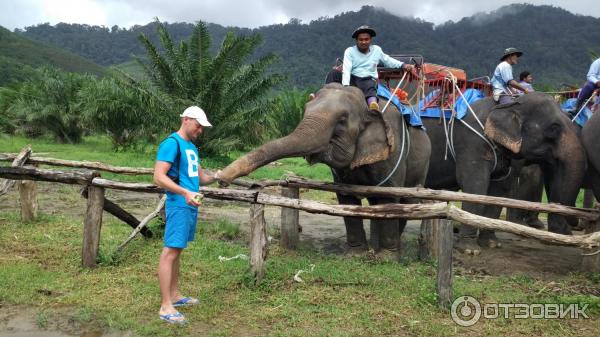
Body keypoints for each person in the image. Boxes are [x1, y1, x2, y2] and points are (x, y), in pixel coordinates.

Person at [153, 106, 220, 324]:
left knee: (177, 250)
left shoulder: (191, 147)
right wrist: (184, 192)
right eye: (198, 125)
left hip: (191, 204)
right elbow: (159, 177)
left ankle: (175, 295)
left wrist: (218, 175)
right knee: (170, 251)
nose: (200, 130)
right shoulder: (171, 144)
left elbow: (199, 177)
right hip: (179, 204)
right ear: (186, 120)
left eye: (202, 127)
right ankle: (165, 306)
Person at [341, 25, 415, 112]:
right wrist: (345, 87)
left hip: (367, 79)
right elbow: (346, 69)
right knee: (333, 74)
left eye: (366, 39)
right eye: (361, 39)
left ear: (370, 40)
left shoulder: (376, 50)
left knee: (369, 84)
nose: (364, 42)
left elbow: (388, 60)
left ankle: (372, 104)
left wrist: (403, 65)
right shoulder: (349, 51)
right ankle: (325, 95)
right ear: (356, 41)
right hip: (352, 78)